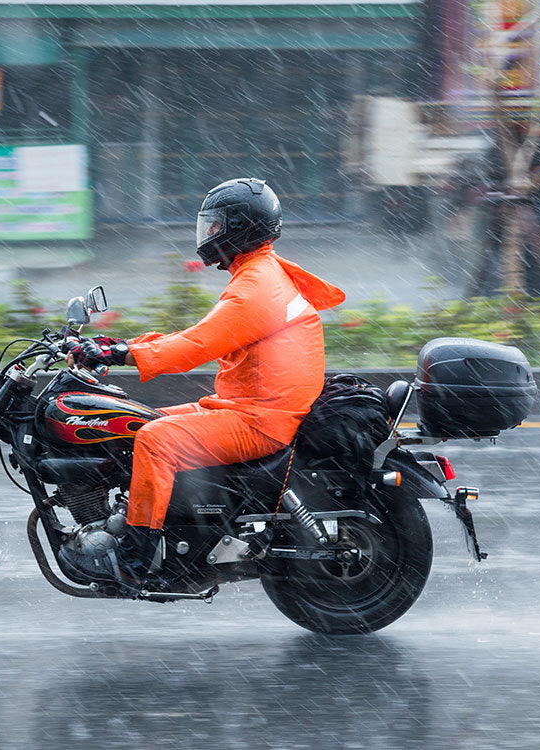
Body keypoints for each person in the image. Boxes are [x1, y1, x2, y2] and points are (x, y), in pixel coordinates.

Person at [62, 177, 346, 586]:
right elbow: (202, 334)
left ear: (241, 228)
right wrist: (121, 344)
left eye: (215, 225)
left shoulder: (255, 287)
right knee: (141, 421)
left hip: (259, 419)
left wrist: (118, 354)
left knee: (156, 440)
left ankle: (135, 558)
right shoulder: (259, 272)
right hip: (246, 406)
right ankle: (148, 519)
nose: (207, 233)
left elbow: (195, 346)